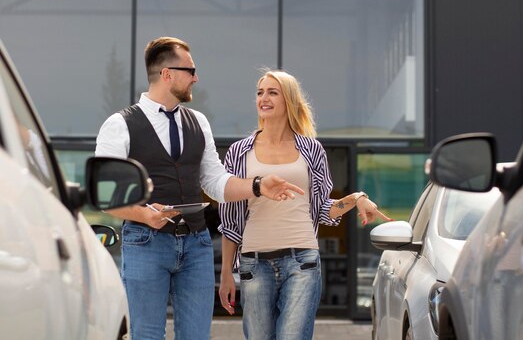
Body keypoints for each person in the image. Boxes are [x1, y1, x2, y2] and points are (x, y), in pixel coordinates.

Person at [95, 37, 304, 340]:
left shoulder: (198, 122)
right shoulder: (119, 125)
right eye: (190, 70)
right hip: (145, 242)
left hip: (196, 244)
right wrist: (142, 214)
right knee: (147, 335)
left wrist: (258, 186)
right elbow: (105, 195)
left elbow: (216, 182)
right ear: (167, 74)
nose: (196, 77)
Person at [218, 70, 392, 340]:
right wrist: (227, 273)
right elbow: (230, 220)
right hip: (254, 264)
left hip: (302, 262)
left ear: (289, 100)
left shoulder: (311, 150)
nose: (264, 98)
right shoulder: (239, 152)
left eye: (272, 92)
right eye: (260, 92)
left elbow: (323, 208)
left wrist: (357, 198)